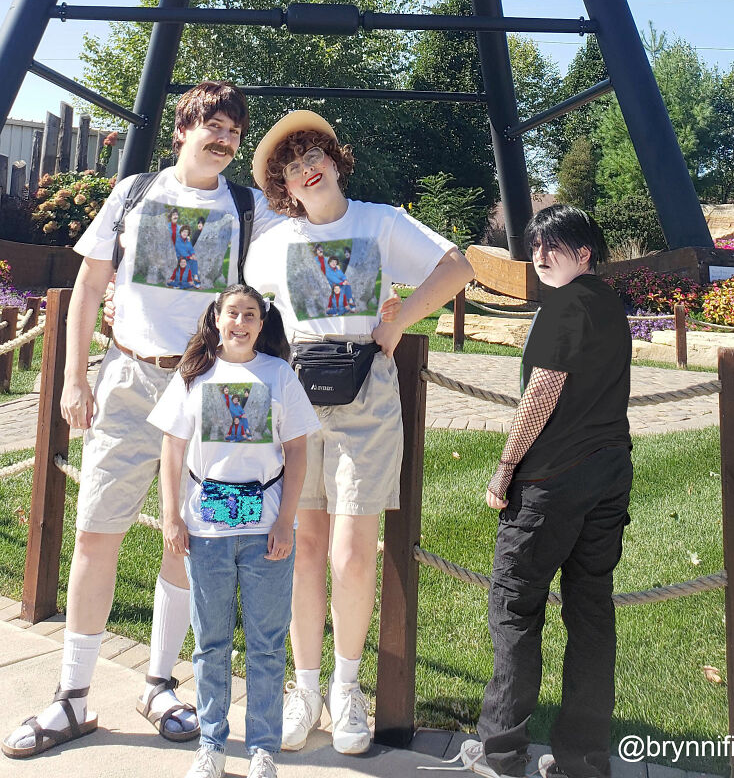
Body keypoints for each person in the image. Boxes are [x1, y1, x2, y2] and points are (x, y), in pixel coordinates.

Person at [2, 81, 280, 759]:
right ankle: (71, 697)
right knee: (98, 534)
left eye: (234, 132)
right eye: (210, 125)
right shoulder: (132, 193)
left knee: (193, 542)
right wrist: (72, 379)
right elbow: (89, 289)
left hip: (211, 392)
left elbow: (312, 245)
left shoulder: (249, 210)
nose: (222, 139)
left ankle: (159, 683)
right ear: (182, 129)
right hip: (127, 380)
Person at [246, 111, 472, 756]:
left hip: (366, 394)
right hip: (297, 395)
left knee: (351, 550)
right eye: (290, 165)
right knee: (301, 548)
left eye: (313, 152)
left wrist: (398, 327)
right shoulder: (272, 244)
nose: (304, 166)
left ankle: (348, 688)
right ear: (284, 188)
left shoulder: (380, 222)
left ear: (337, 159)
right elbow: (241, 310)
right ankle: (307, 688)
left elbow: (455, 268)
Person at [459, 205, 632, 778]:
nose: (539, 256)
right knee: (590, 613)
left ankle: (499, 752)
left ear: (584, 253)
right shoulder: (610, 302)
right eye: (535, 246)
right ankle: (586, 757)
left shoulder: (564, 304)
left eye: (552, 247)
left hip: (551, 481)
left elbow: (541, 395)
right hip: (610, 472)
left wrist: (505, 467)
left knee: (515, 609)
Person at [149, 284, 320, 778]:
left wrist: (286, 520)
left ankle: (263, 748)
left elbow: (298, 450)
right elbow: (173, 450)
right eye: (232, 313)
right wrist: (171, 515)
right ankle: (212, 743)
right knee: (211, 641)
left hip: (266, 524)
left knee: (266, 642)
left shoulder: (279, 375)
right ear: (217, 319)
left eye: (250, 314)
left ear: (261, 324)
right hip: (208, 524)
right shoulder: (194, 375)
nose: (240, 323)